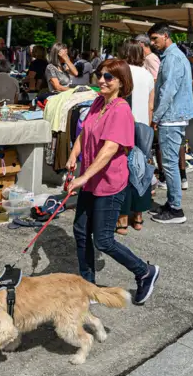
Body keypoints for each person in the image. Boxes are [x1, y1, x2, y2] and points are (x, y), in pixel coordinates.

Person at [65, 58, 159, 305]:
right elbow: (84, 133)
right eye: (100, 75)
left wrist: (84, 176)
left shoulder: (120, 110)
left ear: (121, 83)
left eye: (109, 77)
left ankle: (144, 271)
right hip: (91, 181)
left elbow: (109, 149)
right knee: (80, 231)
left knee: (104, 240)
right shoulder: (98, 102)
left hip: (109, 183)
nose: (102, 80)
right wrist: (74, 156)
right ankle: (88, 286)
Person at [148, 23, 193, 224]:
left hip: (171, 117)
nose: (152, 43)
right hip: (173, 115)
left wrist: (156, 116)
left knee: (169, 163)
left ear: (166, 36)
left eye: (155, 39)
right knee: (169, 162)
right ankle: (172, 203)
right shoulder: (173, 56)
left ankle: (176, 209)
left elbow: (168, 90)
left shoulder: (173, 58)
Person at [116, 40, 155, 234]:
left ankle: (122, 218)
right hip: (143, 126)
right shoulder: (147, 74)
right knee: (141, 169)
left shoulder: (121, 72)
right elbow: (150, 105)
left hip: (123, 125)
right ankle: (138, 217)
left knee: (121, 170)